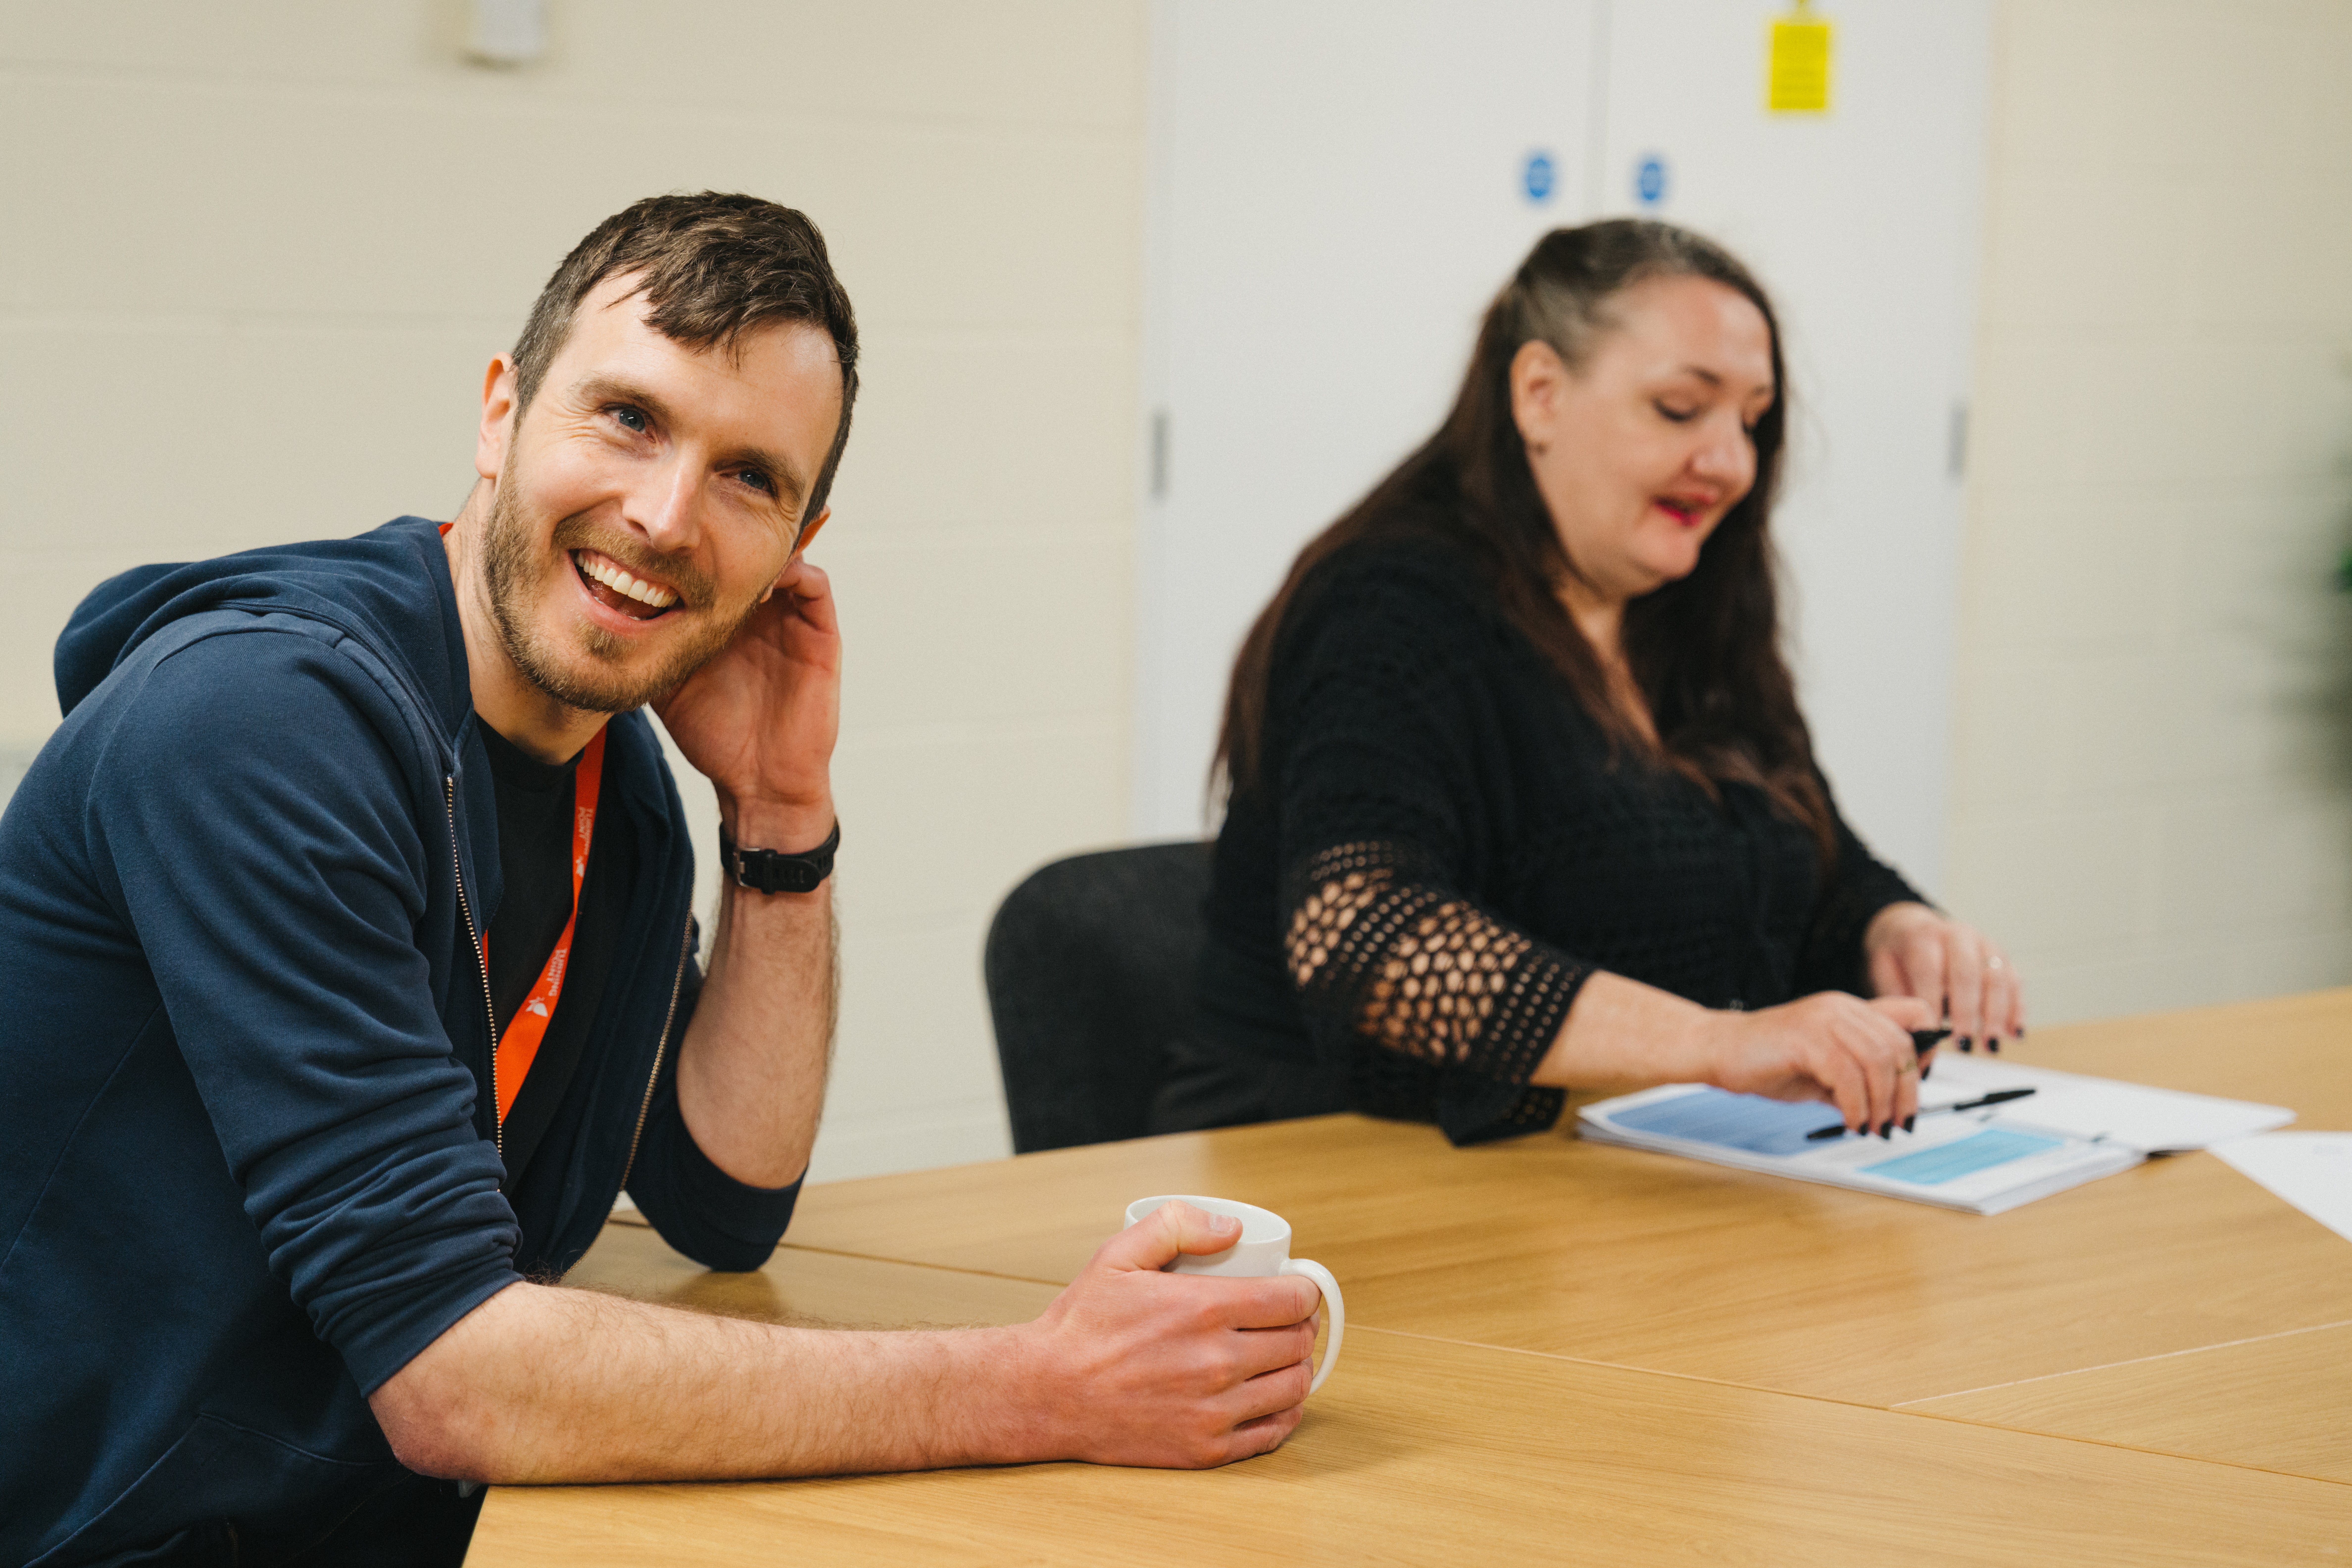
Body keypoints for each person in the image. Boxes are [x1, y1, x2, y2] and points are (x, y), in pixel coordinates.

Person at [0, 193, 1318, 1568]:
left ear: (800, 544)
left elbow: (722, 1197)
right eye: (628, 417)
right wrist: (1042, 1383)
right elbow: (459, 1373)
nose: (666, 513)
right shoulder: (262, 726)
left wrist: (779, 810)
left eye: (751, 477)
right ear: (502, 414)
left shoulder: (609, 777)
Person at [1152, 219, 2026, 1150]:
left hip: (1621, 1162)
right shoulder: (1390, 605)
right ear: (1540, 395)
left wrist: (1889, 923)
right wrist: (1716, 1044)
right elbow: (1366, 937)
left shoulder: (1686, 604)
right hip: (1344, 1170)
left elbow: (1799, 857)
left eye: (1752, 421)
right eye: (1683, 411)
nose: (1731, 463)